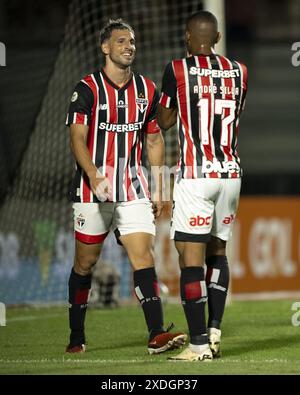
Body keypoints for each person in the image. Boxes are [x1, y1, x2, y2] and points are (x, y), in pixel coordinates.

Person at [65, 19, 186, 355]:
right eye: (120, 41)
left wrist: (161, 187)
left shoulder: (147, 90)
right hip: (94, 190)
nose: (128, 46)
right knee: (85, 264)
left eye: (131, 42)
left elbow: (155, 139)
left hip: (133, 187)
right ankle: (76, 336)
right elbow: (77, 138)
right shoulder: (87, 89)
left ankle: (156, 333)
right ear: (105, 47)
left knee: (143, 257)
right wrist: (92, 174)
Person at [158, 11, 248, 361]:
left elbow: (166, 121)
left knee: (190, 260)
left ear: (186, 36)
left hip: (197, 174)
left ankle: (197, 346)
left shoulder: (176, 70)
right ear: (218, 36)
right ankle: (214, 331)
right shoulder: (240, 71)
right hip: (230, 173)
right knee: (218, 253)